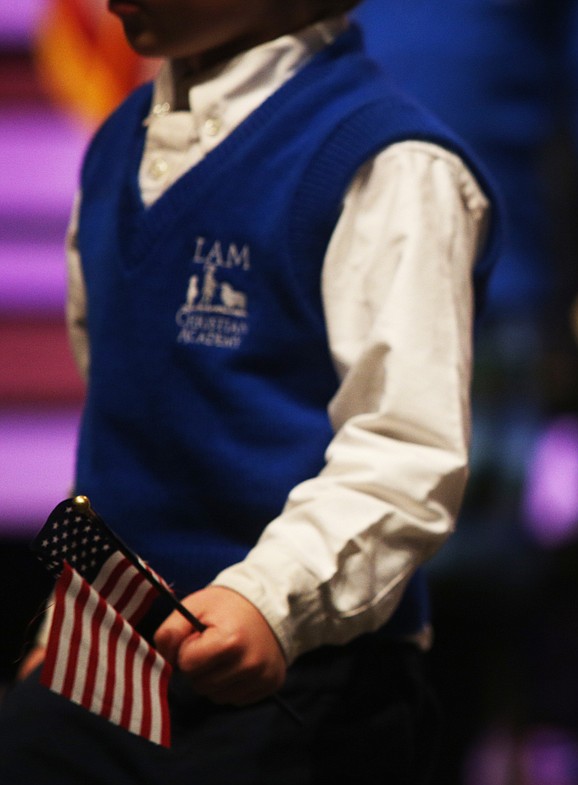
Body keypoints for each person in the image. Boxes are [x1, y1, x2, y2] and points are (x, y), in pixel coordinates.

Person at [0, 0, 496, 782]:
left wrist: (271, 598)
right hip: (108, 663)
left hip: (307, 682)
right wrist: (63, 626)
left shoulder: (387, 163)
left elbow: (405, 452)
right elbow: (119, 419)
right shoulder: (112, 148)